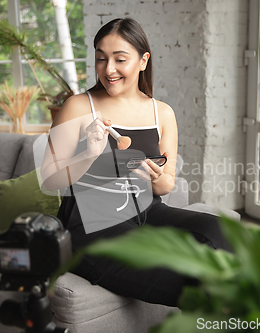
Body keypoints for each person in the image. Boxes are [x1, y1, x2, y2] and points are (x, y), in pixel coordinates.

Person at [41, 17, 230, 307]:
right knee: (192, 277)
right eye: (101, 59)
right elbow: (50, 179)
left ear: (143, 61)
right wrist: (88, 153)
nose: (109, 69)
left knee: (220, 232)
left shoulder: (161, 113)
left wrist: (154, 177)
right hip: (93, 224)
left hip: (146, 213)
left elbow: (166, 184)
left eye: (120, 59)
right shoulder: (79, 106)